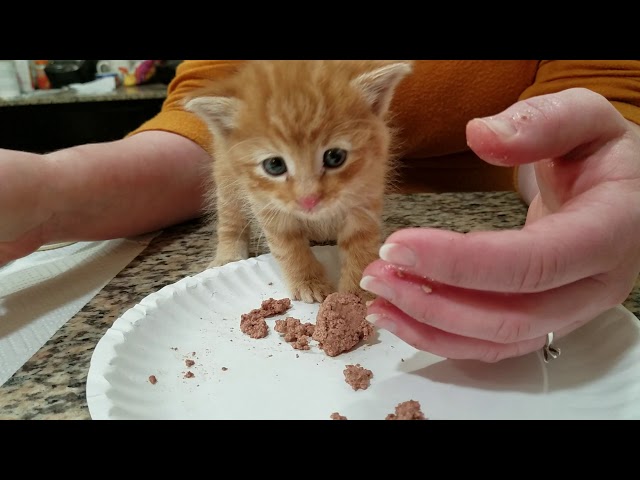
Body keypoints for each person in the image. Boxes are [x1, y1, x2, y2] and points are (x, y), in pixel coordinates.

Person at [2, 60, 639, 363]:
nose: (309, 195)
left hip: (500, 202)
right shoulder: (253, 142)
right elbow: (196, 120)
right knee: (255, 205)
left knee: (349, 219)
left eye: (331, 159)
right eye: (284, 169)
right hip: (249, 170)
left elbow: (607, 93)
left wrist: (583, 174)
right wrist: (50, 187)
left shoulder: (365, 120)